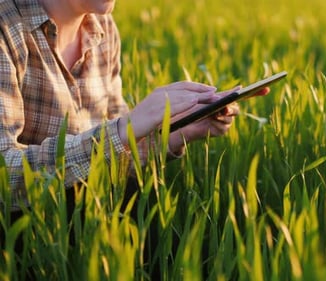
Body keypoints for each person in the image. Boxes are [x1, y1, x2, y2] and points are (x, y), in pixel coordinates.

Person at [0, 0, 268, 214]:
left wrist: (176, 134)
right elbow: (3, 174)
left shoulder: (102, 26)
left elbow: (113, 156)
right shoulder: (6, 27)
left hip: (87, 230)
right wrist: (123, 128)